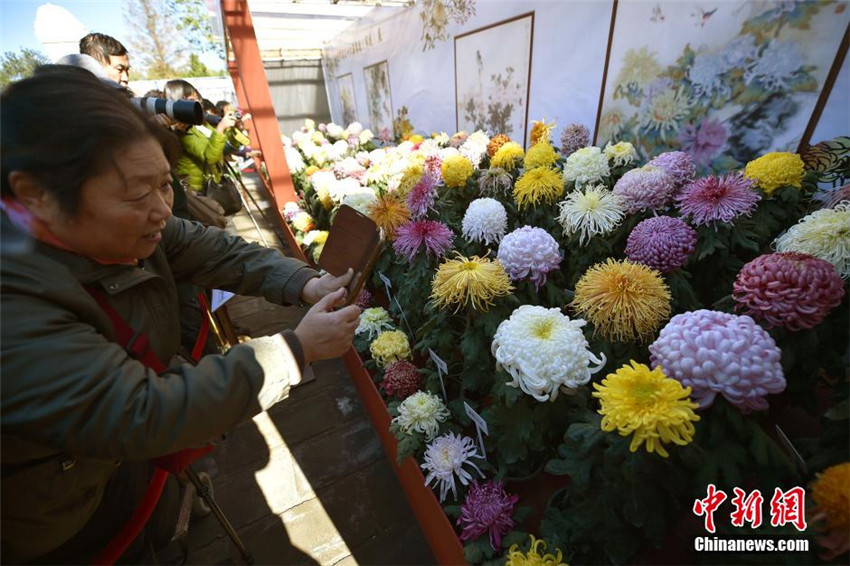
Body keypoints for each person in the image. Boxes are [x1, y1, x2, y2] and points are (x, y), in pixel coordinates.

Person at [0, 69, 360, 563]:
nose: (162, 212)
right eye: (136, 195)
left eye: (166, 186)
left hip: (117, 466)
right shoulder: (13, 304)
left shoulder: (133, 225)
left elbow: (211, 249)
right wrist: (295, 352)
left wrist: (303, 282)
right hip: (57, 518)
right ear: (36, 194)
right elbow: (144, 411)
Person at [164, 79, 235, 193]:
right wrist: (220, 128)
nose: (198, 103)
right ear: (177, 103)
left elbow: (223, 147)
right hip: (196, 192)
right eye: (192, 100)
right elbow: (210, 157)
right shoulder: (182, 132)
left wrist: (232, 130)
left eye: (198, 99)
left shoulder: (202, 125)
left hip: (212, 186)